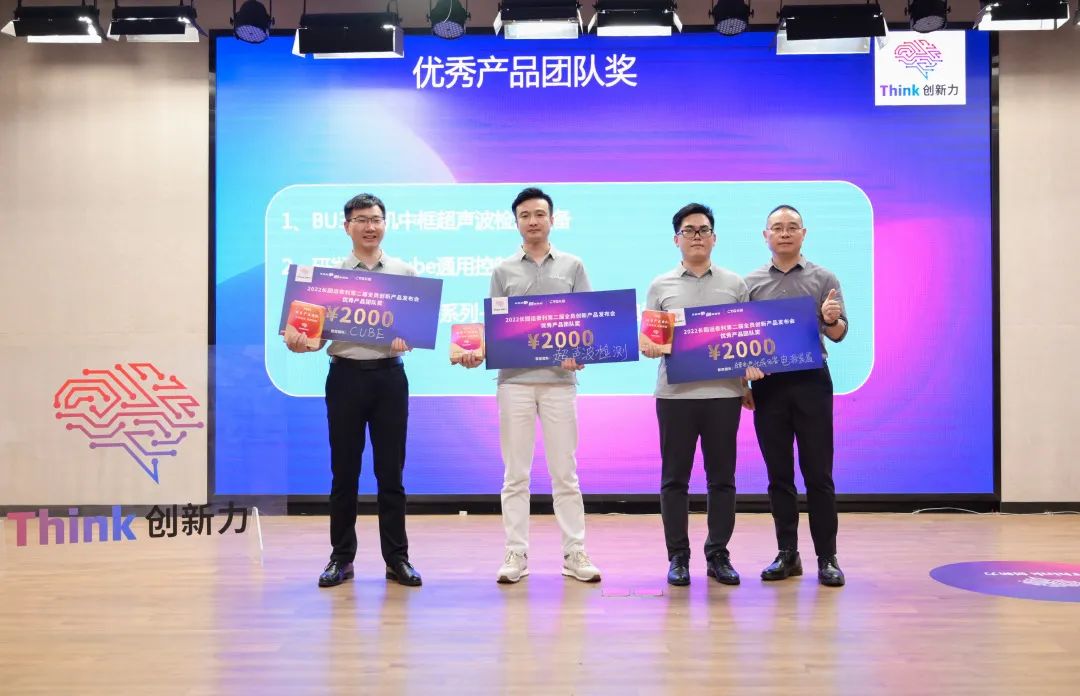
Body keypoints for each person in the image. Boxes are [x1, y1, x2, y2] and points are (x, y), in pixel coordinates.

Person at [457, 187, 601, 584]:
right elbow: (494, 331)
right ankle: (515, 553)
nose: (533, 221)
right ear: (516, 222)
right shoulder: (503, 270)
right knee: (515, 474)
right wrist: (473, 351)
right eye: (525, 215)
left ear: (552, 219)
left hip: (559, 383)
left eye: (539, 214)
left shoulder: (573, 266)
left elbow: (588, 325)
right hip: (514, 383)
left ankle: (574, 553)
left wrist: (581, 353)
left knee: (565, 473)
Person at [285, 193, 422, 589]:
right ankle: (341, 558)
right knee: (343, 473)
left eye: (376, 219)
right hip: (345, 377)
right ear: (347, 227)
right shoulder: (328, 278)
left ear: (385, 224)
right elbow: (308, 336)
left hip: (389, 378)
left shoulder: (404, 272)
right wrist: (299, 341)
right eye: (361, 219)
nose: (369, 226)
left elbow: (414, 329)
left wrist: (408, 338)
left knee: (391, 474)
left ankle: (397, 559)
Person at [642, 203, 752, 587]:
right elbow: (650, 340)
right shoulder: (661, 285)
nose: (697, 236)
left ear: (714, 238)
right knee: (675, 480)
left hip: (723, 394)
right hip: (675, 397)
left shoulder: (735, 285)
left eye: (703, 230)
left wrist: (747, 382)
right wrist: (650, 345)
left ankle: (718, 554)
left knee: (722, 479)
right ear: (677, 239)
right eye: (688, 230)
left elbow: (747, 338)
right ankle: (678, 557)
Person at [743, 204, 848, 587]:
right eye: (777, 227)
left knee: (818, 474)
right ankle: (787, 553)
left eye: (792, 227)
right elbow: (742, 339)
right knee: (779, 475)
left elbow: (838, 333)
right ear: (765, 235)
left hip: (811, 383)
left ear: (804, 233)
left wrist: (831, 319)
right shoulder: (750, 283)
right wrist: (743, 383)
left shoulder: (824, 278)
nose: (784, 233)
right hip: (768, 385)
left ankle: (827, 557)